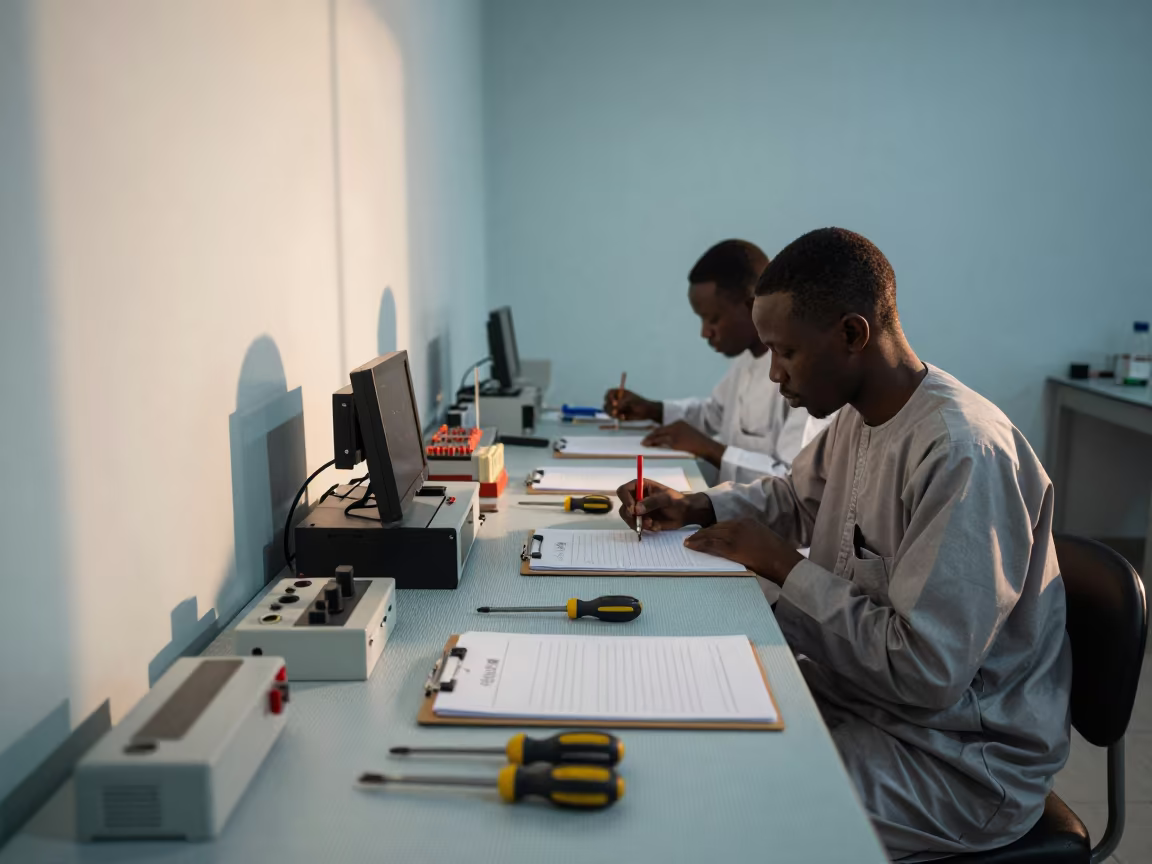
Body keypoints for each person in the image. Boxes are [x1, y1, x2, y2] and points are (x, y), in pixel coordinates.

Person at [616, 228, 1071, 860]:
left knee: (716, 807)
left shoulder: (963, 452)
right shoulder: (860, 414)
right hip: (857, 700)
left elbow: (927, 671)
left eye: (786, 352)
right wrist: (697, 506)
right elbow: (796, 497)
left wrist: (782, 566)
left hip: (953, 760)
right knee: (678, 734)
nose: (773, 373)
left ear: (853, 334)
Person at [604, 239, 826, 484]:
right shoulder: (745, 360)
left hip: (762, 509)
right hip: (735, 502)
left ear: (751, 306)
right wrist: (653, 410)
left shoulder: (806, 376)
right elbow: (715, 414)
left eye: (713, 319)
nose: (705, 332)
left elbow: (791, 480)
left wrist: (709, 448)